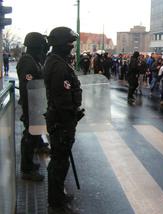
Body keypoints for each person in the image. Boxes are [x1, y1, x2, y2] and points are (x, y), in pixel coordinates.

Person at [44, 27, 83, 214]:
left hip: (61, 120)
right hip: (62, 122)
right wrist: (71, 116)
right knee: (59, 163)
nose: (72, 46)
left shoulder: (57, 61)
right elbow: (62, 99)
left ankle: (58, 196)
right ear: (61, 44)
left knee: (60, 161)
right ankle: (56, 204)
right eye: (69, 43)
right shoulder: (58, 66)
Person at [17, 32, 48, 182]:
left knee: (34, 135)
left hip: (35, 104)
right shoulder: (28, 62)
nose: (44, 49)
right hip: (31, 104)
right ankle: (26, 169)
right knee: (29, 136)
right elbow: (27, 86)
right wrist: (30, 108)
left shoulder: (33, 60)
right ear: (36, 46)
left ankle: (29, 164)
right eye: (42, 46)